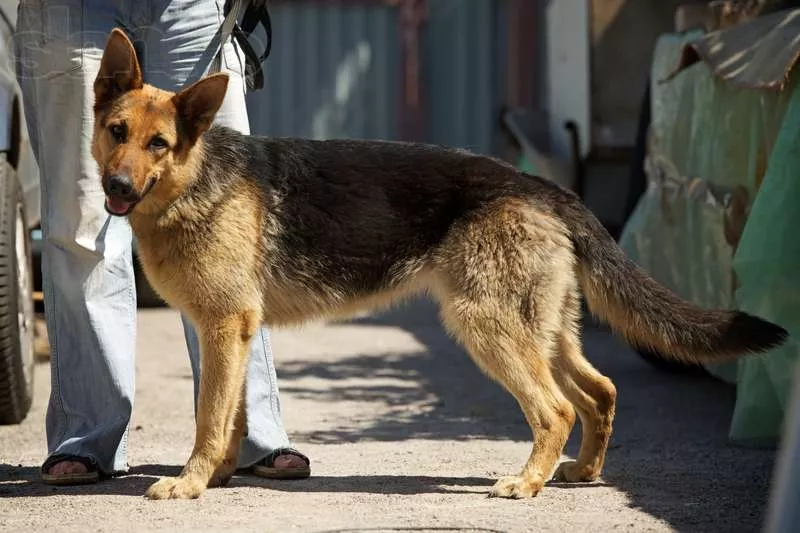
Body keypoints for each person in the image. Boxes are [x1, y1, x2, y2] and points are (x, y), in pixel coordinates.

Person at [14, 0, 309, 484]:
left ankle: (249, 434)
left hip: (189, 5)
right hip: (69, 8)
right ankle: (86, 436)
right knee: (79, 224)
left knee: (226, 227)